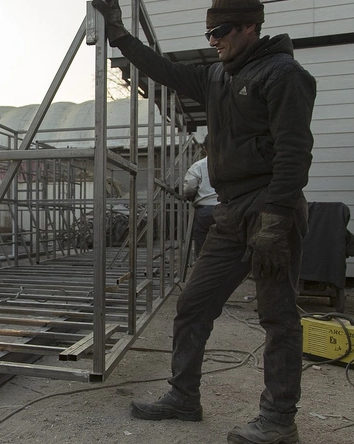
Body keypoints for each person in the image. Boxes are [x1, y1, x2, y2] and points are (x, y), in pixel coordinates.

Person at [92, 1, 315, 443]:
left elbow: (294, 151)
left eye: (223, 31)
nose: (214, 40)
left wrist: (276, 218)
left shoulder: (283, 74)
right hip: (230, 211)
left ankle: (278, 421)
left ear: (252, 27)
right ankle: (183, 397)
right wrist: (118, 32)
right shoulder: (217, 76)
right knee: (193, 305)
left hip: (270, 205)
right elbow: (161, 69)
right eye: (209, 32)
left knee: (278, 316)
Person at [183, 143, 218, 257]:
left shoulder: (198, 165)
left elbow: (189, 187)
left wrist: (190, 196)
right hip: (226, 208)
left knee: (203, 243)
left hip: (205, 209)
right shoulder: (229, 163)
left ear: (205, 149)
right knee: (226, 242)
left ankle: (205, 270)